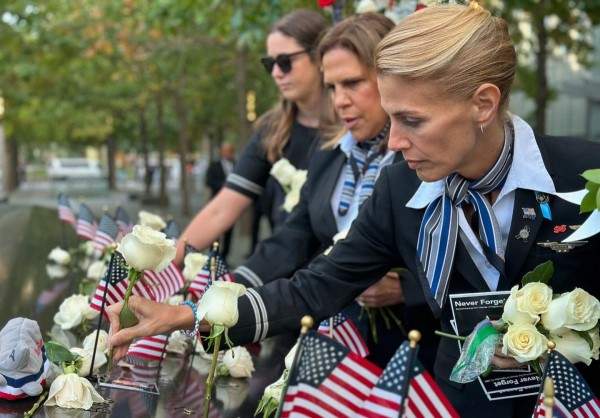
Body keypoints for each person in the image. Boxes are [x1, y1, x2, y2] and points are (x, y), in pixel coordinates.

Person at [108, 4, 600, 417]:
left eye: (412, 120)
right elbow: (318, 285)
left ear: (483, 103)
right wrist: (192, 313)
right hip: (454, 402)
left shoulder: (586, 174)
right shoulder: (401, 184)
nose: (397, 141)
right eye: (391, 118)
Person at [233, 12, 436, 368]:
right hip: (335, 349)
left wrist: (406, 290)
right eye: (332, 87)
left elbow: (476, 264)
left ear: (391, 78)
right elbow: (292, 239)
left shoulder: (430, 160)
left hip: (414, 355)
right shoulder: (328, 156)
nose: (339, 100)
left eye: (353, 83)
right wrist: (229, 289)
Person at [175, 10, 328, 265]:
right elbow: (222, 208)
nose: (277, 73)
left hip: (352, 283)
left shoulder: (356, 126)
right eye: (270, 64)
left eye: (285, 62)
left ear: (320, 56)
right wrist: (168, 263)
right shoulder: (272, 129)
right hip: (285, 274)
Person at [205, 143, 236, 259]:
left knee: (229, 232)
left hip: (232, 204)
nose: (227, 153)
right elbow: (208, 181)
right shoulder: (214, 165)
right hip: (216, 201)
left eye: (229, 151)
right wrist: (224, 186)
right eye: (225, 151)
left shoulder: (236, 165)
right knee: (215, 232)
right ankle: (214, 256)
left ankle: (225, 257)